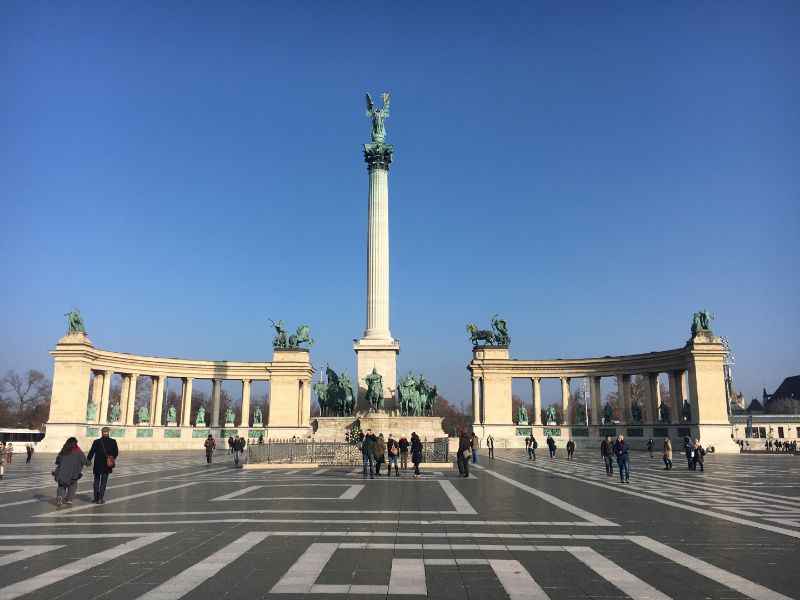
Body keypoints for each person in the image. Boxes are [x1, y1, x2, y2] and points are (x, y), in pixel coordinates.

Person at [53, 437, 89, 507]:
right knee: (72, 485)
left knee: (61, 486)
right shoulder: (78, 450)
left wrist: (58, 462)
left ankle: (60, 496)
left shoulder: (63, 450)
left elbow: (58, 460)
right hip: (73, 473)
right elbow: (84, 460)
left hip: (62, 473)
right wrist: (88, 463)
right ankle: (69, 499)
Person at [86, 426, 119, 504]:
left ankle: (95, 498)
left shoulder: (97, 442)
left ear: (102, 432)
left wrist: (88, 460)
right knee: (104, 481)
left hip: (97, 464)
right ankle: (100, 498)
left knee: (96, 480)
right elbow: (116, 453)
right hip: (107, 465)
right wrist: (112, 457)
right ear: (108, 433)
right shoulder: (113, 441)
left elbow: (91, 452)